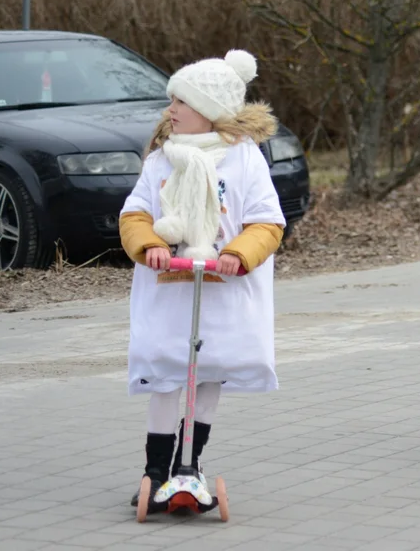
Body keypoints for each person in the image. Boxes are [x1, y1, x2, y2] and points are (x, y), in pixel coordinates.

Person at [118, 49, 286, 506]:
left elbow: (267, 222)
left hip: (222, 287)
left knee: (210, 368)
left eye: (180, 103)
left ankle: (188, 465)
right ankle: (154, 471)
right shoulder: (160, 161)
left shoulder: (244, 159)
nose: (169, 111)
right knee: (167, 369)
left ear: (208, 111)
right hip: (169, 287)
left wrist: (238, 252)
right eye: (171, 102)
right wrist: (149, 244)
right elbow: (134, 213)